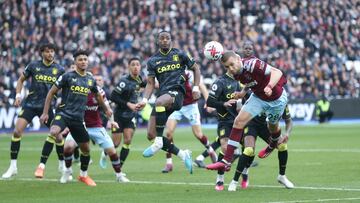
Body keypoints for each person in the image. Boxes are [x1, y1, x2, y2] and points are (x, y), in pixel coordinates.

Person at [206, 50, 288, 171]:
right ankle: (226, 161)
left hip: (277, 99)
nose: (231, 68)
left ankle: (272, 145)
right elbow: (250, 82)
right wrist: (242, 93)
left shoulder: (252, 64)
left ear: (239, 59)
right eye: (227, 67)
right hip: (259, 97)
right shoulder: (235, 73)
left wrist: (269, 86)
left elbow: (277, 72)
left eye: (232, 64)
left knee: (273, 128)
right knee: (238, 122)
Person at [40, 49, 112, 186]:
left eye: (85, 59)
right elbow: (51, 93)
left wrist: (106, 109)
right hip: (64, 114)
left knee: (86, 149)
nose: (83, 62)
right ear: (75, 62)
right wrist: (45, 113)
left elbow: (98, 96)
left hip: (78, 120)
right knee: (54, 131)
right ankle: (42, 166)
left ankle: (83, 175)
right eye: (80, 59)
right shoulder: (67, 77)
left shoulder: (90, 80)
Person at [135, 30, 201, 174]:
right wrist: (145, 100)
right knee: (150, 135)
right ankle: (183, 155)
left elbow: (196, 68)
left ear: (171, 40)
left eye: (167, 38)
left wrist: (195, 87)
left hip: (177, 94)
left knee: (158, 103)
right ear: (157, 41)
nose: (165, 40)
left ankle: (159, 141)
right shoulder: (152, 61)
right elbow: (150, 83)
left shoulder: (180, 54)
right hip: (163, 98)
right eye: (162, 38)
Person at [2, 43, 66, 179]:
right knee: (16, 131)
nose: (50, 54)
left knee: (59, 136)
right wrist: (18, 95)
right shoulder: (33, 66)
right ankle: (13, 166)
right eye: (47, 51)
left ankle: (62, 164)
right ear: (42, 53)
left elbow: (65, 88)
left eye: (52, 51)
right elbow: (20, 80)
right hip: (30, 104)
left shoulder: (60, 69)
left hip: (47, 107)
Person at [62, 80, 129, 183]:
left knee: (112, 151)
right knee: (68, 147)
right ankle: (67, 171)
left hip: (96, 127)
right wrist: (66, 124)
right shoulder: (75, 92)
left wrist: (112, 121)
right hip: (79, 126)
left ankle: (119, 176)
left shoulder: (99, 92)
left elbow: (108, 108)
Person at [228, 102, 294, 191]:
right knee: (249, 150)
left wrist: (287, 134)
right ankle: (234, 181)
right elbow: (240, 103)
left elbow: (288, 121)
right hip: (251, 125)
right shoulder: (257, 95)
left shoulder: (281, 101)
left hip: (267, 127)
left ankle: (282, 176)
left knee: (282, 146)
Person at [161, 71, 217, 173]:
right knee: (168, 133)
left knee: (198, 134)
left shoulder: (188, 73)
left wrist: (208, 102)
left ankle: (210, 150)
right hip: (176, 106)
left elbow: (201, 85)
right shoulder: (167, 72)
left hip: (191, 106)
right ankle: (169, 163)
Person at [99, 57, 146, 177]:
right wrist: (128, 104)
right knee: (115, 144)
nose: (136, 67)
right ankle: (104, 153)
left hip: (130, 116)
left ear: (140, 67)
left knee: (128, 141)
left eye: (138, 65)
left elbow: (143, 87)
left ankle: (119, 168)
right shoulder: (123, 81)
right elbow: (114, 96)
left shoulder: (140, 79)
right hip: (119, 116)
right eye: (133, 65)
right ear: (129, 67)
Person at [205, 65, 244, 191]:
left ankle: (243, 174)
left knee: (244, 150)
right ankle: (220, 180)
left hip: (238, 120)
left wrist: (240, 106)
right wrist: (223, 103)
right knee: (225, 146)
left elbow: (239, 100)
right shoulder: (220, 82)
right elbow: (210, 102)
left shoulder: (238, 82)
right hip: (224, 121)